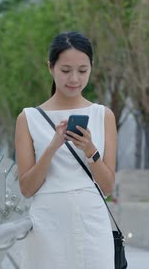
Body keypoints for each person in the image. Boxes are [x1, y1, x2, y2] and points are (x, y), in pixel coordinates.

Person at [15, 31, 117, 269]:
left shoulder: (103, 116)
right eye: (65, 70)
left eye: (82, 71)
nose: (74, 79)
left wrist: (90, 150)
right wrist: (52, 147)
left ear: (91, 68)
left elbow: (108, 186)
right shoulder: (28, 118)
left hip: (92, 221)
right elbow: (27, 188)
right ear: (50, 68)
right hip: (48, 224)